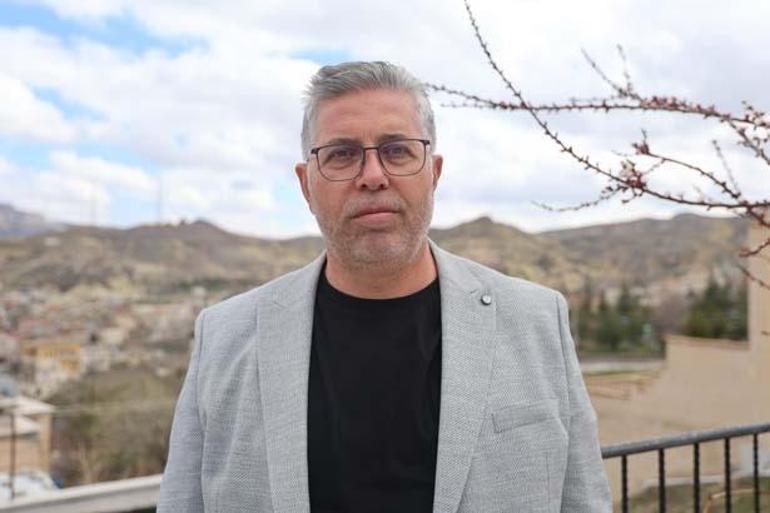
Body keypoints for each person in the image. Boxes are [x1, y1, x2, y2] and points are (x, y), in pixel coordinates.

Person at [158, 61, 612, 513]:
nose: (373, 175)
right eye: (341, 154)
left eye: (397, 150)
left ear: (433, 172)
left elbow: (584, 500)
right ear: (306, 185)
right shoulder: (225, 337)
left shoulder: (536, 321)